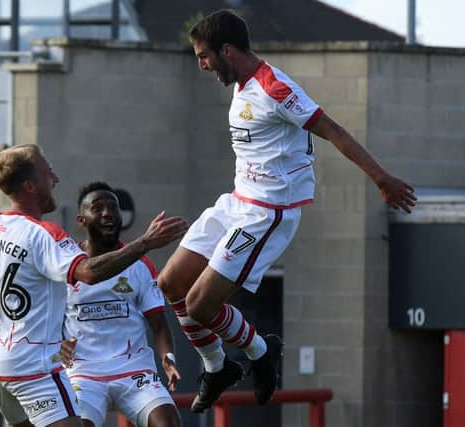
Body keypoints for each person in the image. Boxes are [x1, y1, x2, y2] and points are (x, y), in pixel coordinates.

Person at [156, 9, 418, 413]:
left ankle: (262, 351)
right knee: (170, 283)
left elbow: (334, 131)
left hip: (266, 212)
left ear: (227, 50)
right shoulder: (240, 83)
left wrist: (381, 177)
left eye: (204, 56)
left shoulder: (274, 87)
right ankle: (217, 368)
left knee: (199, 305)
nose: (201, 65)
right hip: (236, 201)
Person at [0, 144, 187, 427]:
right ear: (30, 185)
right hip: (33, 368)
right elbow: (87, 272)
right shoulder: (45, 234)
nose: (55, 180)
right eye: (47, 173)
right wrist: (146, 242)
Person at [60, 182, 181, 427]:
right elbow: (43, 318)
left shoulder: (141, 265)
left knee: (168, 423)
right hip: (83, 372)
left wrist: (167, 357)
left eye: (112, 207)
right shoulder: (65, 263)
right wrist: (55, 344)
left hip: (133, 370)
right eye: (98, 208)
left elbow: (158, 323)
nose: (107, 213)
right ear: (81, 219)